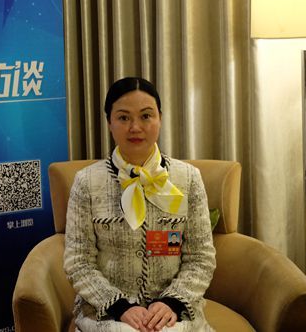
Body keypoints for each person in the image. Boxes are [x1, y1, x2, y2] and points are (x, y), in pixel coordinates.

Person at [64, 77, 216, 332]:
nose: (135, 127)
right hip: (107, 315)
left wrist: (171, 302)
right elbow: (78, 262)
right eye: (123, 118)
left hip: (175, 313)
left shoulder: (188, 178)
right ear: (109, 122)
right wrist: (120, 307)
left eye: (146, 116)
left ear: (160, 118)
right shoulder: (87, 182)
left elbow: (201, 257)